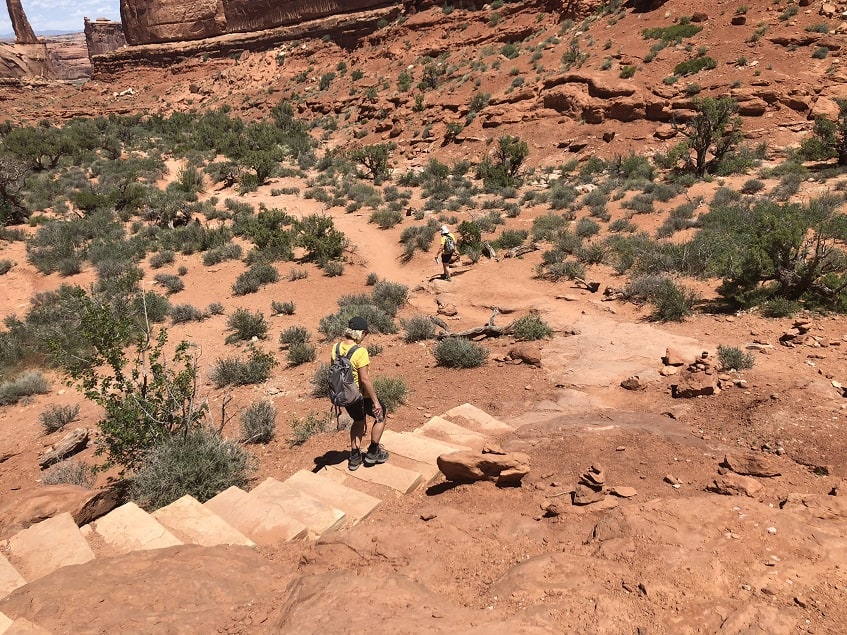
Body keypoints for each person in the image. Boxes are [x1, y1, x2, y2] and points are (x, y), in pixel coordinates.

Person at [332, 316, 388, 471]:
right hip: (360, 396)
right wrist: (375, 401)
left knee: (358, 421)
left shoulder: (335, 347)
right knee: (380, 414)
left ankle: (355, 457)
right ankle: (373, 453)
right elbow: (365, 379)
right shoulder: (360, 351)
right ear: (361, 333)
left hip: (345, 396)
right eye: (365, 334)